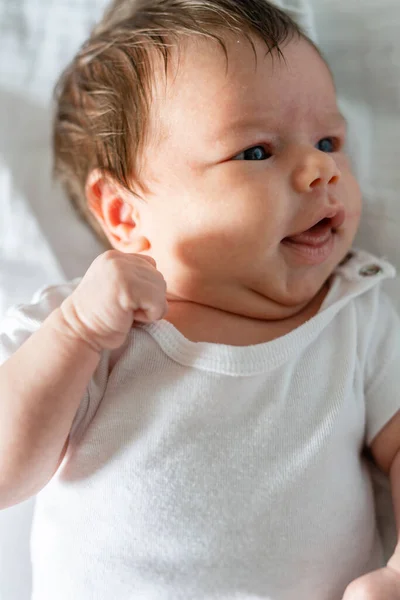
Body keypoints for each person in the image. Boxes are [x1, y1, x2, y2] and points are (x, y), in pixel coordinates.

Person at [1, 0, 400, 598]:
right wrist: (79, 331)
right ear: (123, 213)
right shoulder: (86, 326)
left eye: (328, 138)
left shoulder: (356, 314)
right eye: (258, 151)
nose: (321, 168)